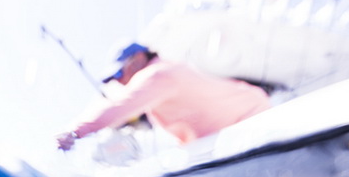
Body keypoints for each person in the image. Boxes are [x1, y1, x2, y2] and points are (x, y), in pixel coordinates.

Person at [56, 42, 271, 151]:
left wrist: (75, 132)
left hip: (248, 121)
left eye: (120, 73)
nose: (119, 81)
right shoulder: (161, 77)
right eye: (114, 78)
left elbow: (120, 105)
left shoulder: (156, 74)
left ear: (139, 58)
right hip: (243, 121)